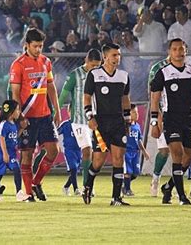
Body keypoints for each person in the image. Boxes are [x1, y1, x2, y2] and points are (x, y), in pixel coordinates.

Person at [150, 38, 191, 205]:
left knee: (188, 157)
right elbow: (155, 98)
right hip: (171, 118)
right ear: (169, 53)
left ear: (186, 51)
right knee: (177, 153)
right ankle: (182, 196)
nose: (179, 52)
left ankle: (168, 186)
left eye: (181, 49)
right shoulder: (163, 73)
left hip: (189, 118)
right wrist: (154, 122)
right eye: (175, 49)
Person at [9, 28, 62, 202]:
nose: (38, 49)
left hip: (45, 115)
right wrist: (19, 117)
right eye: (35, 46)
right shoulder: (18, 65)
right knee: (27, 154)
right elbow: (15, 93)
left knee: (54, 151)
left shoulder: (46, 62)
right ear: (27, 45)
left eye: (40, 46)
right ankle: (28, 193)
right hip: (27, 117)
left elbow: (51, 86)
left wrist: (57, 109)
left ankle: (36, 182)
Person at [82, 43, 131, 206]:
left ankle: (116, 198)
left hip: (118, 122)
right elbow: (87, 97)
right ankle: (88, 185)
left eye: (119, 55)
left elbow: (125, 99)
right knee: (98, 161)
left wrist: (127, 118)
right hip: (101, 122)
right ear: (105, 57)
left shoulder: (124, 76)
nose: (117, 58)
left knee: (118, 158)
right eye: (114, 55)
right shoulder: (94, 75)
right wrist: (90, 116)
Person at [58, 48, 101, 193]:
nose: (95, 68)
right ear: (86, 61)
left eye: (98, 66)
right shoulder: (75, 75)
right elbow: (63, 95)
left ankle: (87, 184)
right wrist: (56, 113)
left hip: (96, 120)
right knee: (87, 150)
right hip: (79, 120)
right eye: (93, 65)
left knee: (97, 154)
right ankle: (86, 187)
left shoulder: (100, 76)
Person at [0, 100, 28, 202]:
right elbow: (2, 138)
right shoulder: (3, 124)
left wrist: (21, 129)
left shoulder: (14, 124)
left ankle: (19, 193)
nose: (19, 112)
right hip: (1, 151)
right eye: (17, 109)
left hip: (11, 152)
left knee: (16, 169)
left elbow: (14, 137)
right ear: (11, 112)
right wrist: (5, 154)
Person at [148, 57, 171, 197]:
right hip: (163, 112)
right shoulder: (157, 68)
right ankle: (155, 179)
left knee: (183, 153)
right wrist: (157, 117)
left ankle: (173, 186)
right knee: (164, 150)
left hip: (182, 115)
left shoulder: (188, 68)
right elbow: (152, 94)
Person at [123, 104, 150, 196]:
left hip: (135, 152)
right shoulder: (125, 126)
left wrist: (144, 151)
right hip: (126, 152)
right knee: (128, 172)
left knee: (136, 173)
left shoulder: (137, 126)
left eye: (137, 112)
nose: (137, 114)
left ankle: (123, 184)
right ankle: (127, 189)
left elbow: (139, 140)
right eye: (134, 112)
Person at [58, 113, 81, 196]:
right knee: (73, 168)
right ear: (68, 111)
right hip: (69, 150)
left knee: (75, 171)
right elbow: (57, 132)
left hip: (79, 150)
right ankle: (76, 189)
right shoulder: (65, 124)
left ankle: (66, 187)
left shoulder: (81, 124)